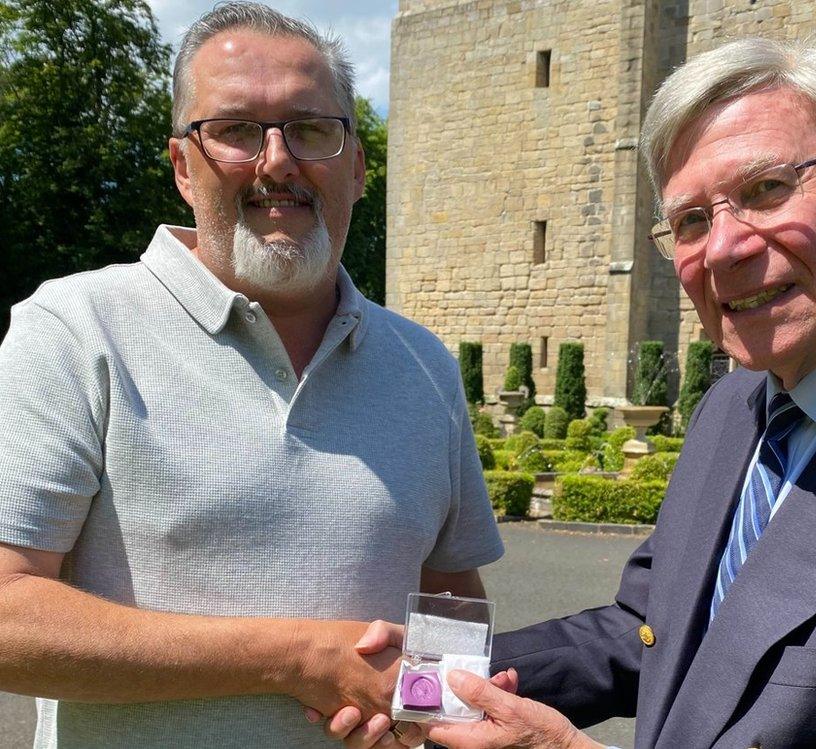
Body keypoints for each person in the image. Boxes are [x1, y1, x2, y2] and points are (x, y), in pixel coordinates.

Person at [328, 37, 816, 748]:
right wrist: (438, 674)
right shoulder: (735, 407)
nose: (722, 248)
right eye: (692, 221)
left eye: (766, 189)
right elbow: (649, 631)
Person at [0, 3, 503, 748]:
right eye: (235, 130)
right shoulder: (75, 330)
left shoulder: (423, 363)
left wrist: (433, 707)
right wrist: (296, 658)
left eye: (311, 129)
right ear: (181, 166)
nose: (277, 161)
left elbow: (452, 595)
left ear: (357, 166)